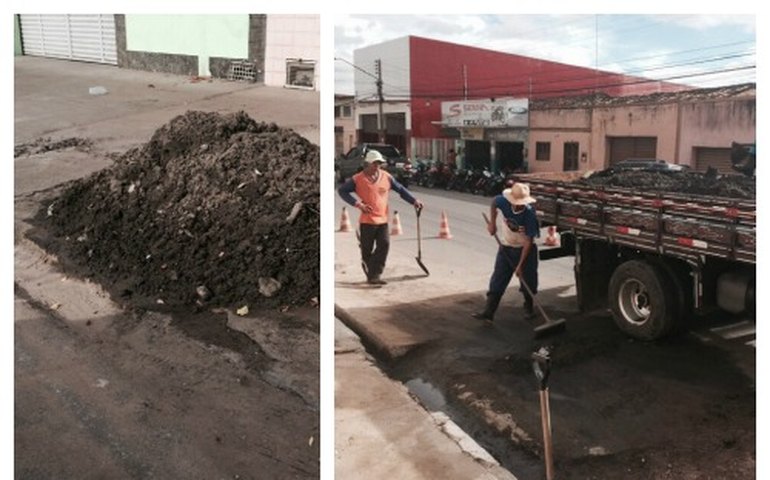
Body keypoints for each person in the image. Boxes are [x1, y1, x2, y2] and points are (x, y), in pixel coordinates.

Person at [338, 150, 424, 285]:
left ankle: (375, 274)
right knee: (367, 249)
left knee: (384, 244)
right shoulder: (358, 179)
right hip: (367, 221)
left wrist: (414, 201)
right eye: (375, 163)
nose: (377, 166)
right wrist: (358, 204)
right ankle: (370, 272)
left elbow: (401, 190)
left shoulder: (386, 177)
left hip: (382, 219)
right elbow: (342, 191)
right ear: (367, 164)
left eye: (379, 163)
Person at [472, 182, 540, 322]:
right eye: (516, 202)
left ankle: (529, 309)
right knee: (498, 279)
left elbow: (528, 242)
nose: (518, 205)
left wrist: (520, 265)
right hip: (505, 247)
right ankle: (489, 312)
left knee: (528, 281)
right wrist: (492, 223)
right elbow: (494, 203)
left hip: (524, 251)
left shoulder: (529, 215)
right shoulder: (503, 201)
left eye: (521, 203)